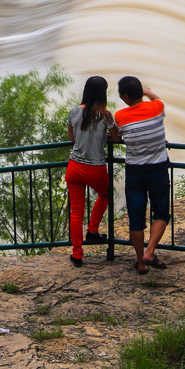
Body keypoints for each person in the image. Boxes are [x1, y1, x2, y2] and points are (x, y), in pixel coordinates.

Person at [112, 75, 171, 274]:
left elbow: (118, 136)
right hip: (158, 169)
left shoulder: (120, 116)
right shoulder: (157, 108)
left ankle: (141, 262)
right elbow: (158, 99)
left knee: (136, 218)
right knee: (161, 213)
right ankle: (150, 251)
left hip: (135, 172)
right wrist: (147, 91)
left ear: (126, 97)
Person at [65, 76, 116, 267]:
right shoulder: (104, 116)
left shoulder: (74, 111)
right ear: (102, 94)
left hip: (74, 168)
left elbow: (72, 138)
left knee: (76, 213)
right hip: (95, 168)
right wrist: (108, 131)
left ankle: (77, 254)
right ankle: (93, 230)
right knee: (105, 195)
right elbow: (117, 138)